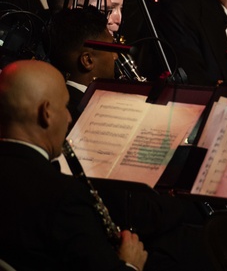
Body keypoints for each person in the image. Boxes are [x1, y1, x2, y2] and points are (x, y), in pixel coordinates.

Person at [0, 59, 149, 270]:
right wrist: (130, 264)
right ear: (47, 112)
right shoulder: (63, 196)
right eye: (65, 106)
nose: (69, 118)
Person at [46, 6, 117, 121]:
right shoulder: (88, 112)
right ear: (87, 61)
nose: (115, 56)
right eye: (111, 50)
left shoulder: (55, 98)